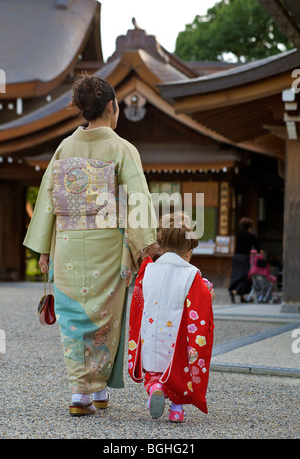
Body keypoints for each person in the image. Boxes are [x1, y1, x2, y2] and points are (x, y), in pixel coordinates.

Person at [23, 74, 158, 416]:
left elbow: (48, 202)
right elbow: (137, 198)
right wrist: (146, 247)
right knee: (105, 317)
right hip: (107, 245)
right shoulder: (122, 148)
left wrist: (44, 250)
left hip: (67, 244)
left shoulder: (64, 148)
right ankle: (90, 392)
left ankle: (82, 393)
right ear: (112, 108)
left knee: (73, 316)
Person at [128, 212, 215, 422]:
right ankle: (176, 409)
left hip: (151, 332)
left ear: (162, 246)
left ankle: (155, 387)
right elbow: (199, 306)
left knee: (154, 367)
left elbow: (138, 302)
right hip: (177, 337)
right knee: (179, 371)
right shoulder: (191, 274)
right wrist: (208, 295)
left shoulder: (148, 270)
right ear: (189, 251)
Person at [229, 217, 260, 303]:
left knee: (236, 275)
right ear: (249, 227)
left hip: (236, 257)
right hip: (245, 258)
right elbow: (257, 248)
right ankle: (235, 291)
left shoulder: (237, 235)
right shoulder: (251, 236)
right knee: (244, 276)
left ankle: (241, 296)